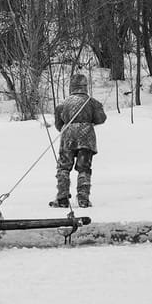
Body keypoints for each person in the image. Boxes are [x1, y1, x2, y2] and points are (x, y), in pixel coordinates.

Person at [50, 74, 106, 208]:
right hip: (86, 137)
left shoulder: (62, 104)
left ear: (72, 86)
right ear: (85, 86)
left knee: (64, 167)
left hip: (68, 137)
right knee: (84, 168)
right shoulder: (92, 102)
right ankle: (83, 199)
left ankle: (62, 198)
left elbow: (58, 125)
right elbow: (101, 119)